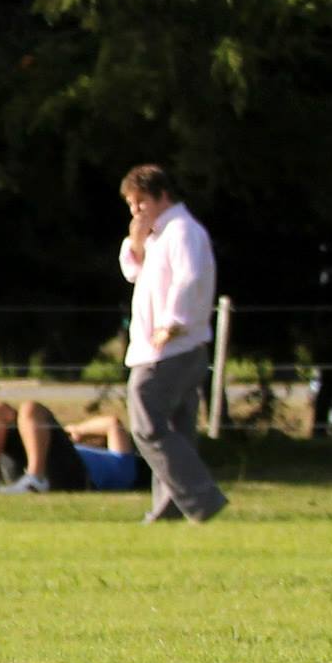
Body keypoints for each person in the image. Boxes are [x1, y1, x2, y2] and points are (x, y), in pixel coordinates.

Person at [117, 164, 228, 523]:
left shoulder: (182, 231)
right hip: (159, 347)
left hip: (172, 348)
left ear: (162, 195)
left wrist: (172, 324)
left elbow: (190, 279)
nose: (136, 211)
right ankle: (171, 510)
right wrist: (136, 240)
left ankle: (201, 498)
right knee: (177, 427)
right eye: (131, 205)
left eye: (141, 202)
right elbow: (133, 273)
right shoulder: (158, 234)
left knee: (146, 425)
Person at [0, 401, 147, 494]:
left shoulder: (125, 465)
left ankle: (35, 478)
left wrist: (77, 429)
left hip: (72, 477)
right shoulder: (99, 457)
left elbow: (112, 424)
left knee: (31, 408)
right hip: (34, 469)